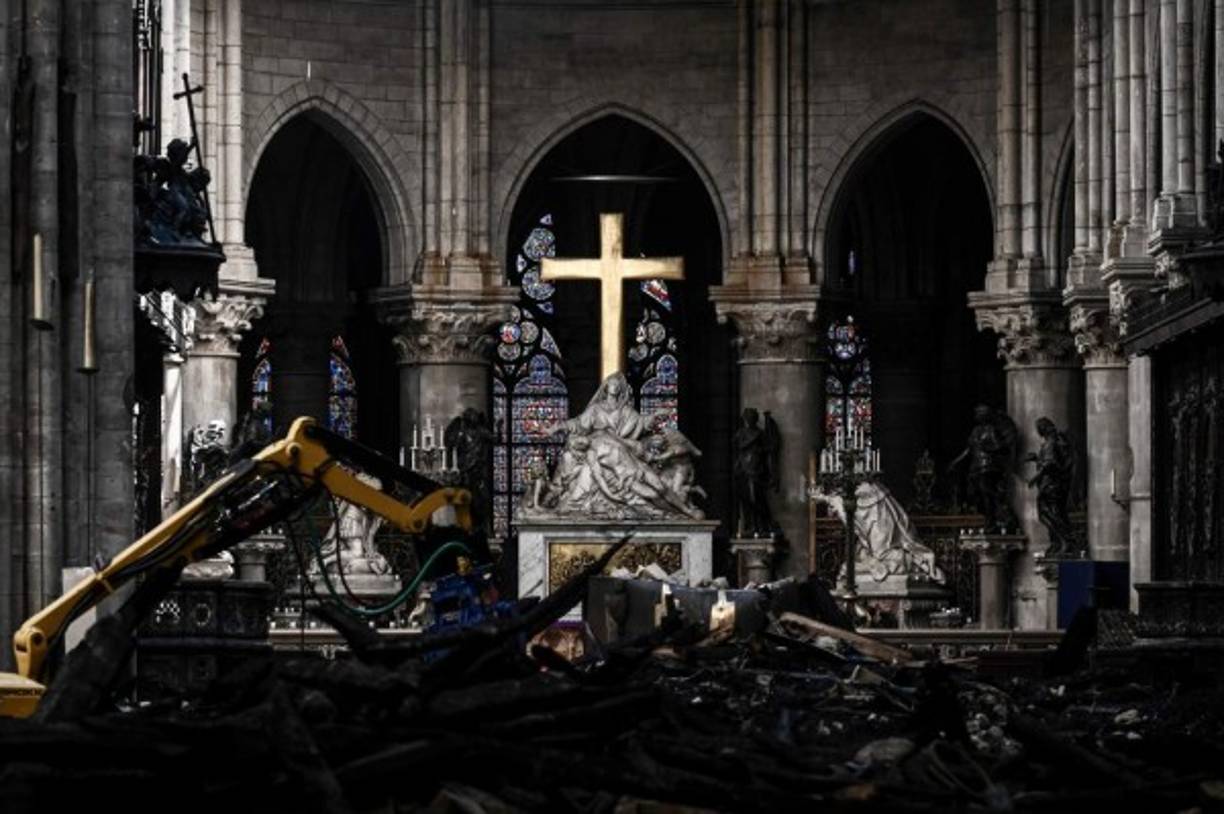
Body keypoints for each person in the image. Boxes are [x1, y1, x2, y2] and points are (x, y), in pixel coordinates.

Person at [533, 372, 703, 519]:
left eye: (617, 385)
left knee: (659, 486)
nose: (614, 387)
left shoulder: (626, 411)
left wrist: (656, 415)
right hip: (624, 474)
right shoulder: (595, 419)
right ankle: (672, 512)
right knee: (652, 494)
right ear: (606, 387)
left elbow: (642, 423)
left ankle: (685, 510)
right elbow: (577, 424)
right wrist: (555, 428)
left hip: (632, 460)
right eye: (611, 384)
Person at [811, 479, 945, 584]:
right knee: (868, 556)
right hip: (871, 514)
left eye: (832, 508)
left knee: (883, 555)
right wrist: (827, 498)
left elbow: (849, 507)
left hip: (876, 515)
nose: (832, 512)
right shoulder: (853, 495)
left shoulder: (868, 497)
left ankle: (909, 561)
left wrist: (827, 498)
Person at [949, 405, 1019, 532]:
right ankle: (990, 518)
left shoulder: (991, 430)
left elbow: (1001, 447)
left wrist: (988, 448)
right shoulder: (976, 431)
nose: (976, 416)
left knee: (987, 493)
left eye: (979, 413)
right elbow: (968, 450)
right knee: (974, 494)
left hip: (988, 467)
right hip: (976, 467)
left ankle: (994, 520)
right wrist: (955, 462)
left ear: (985, 415)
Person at [1025, 417, 1080, 556]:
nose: (1037, 431)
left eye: (1038, 428)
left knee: (1047, 513)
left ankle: (1064, 541)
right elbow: (1052, 462)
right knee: (1053, 513)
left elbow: (1050, 464)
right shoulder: (1054, 442)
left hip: (1051, 485)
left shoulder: (1050, 443)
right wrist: (1037, 459)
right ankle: (1058, 542)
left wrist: (1035, 478)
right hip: (1054, 485)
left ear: (1042, 429)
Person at [733, 408, 777, 537]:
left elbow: (769, 449)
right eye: (747, 418)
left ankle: (762, 526)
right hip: (743, 469)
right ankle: (749, 526)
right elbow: (739, 446)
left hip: (755, 469)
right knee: (745, 499)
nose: (748, 420)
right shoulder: (741, 433)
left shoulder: (760, 433)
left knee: (757, 498)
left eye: (751, 417)